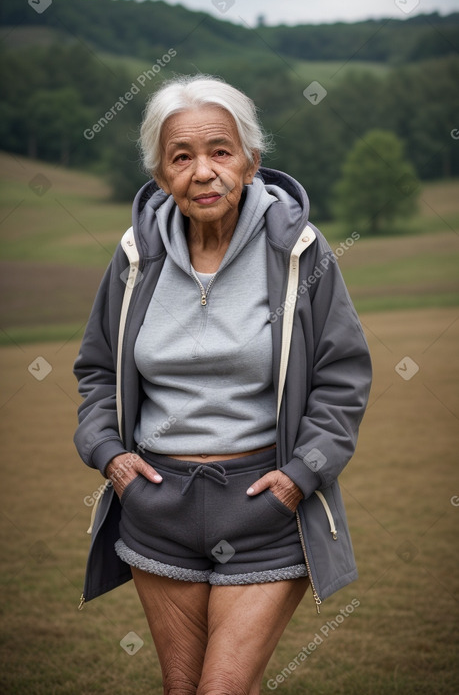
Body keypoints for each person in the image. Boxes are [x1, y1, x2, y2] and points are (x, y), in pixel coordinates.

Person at [74, 74, 372, 694]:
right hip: (157, 506)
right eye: (181, 157)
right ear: (161, 176)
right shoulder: (134, 257)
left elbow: (341, 377)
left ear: (252, 162)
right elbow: (98, 368)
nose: (202, 172)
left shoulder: (300, 252)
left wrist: (299, 478)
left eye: (220, 151)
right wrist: (110, 457)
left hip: (265, 509)